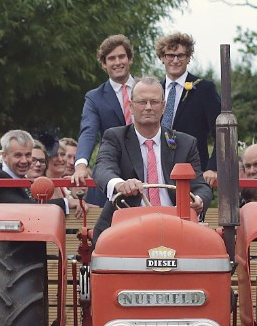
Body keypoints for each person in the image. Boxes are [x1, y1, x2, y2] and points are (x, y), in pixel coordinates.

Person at [91, 77, 212, 239]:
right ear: (131, 106)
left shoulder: (185, 143)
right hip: (125, 228)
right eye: (142, 102)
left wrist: (198, 201)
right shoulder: (115, 137)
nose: (148, 107)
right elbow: (102, 168)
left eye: (154, 102)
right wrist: (120, 184)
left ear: (163, 107)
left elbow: (200, 185)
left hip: (176, 227)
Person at [73, 35, 135, 206]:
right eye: (111, 58)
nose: (117, 62)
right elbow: (88, 132)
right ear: (103, 64)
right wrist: (81, 165)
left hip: (147, 169)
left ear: (129, 59)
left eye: (121, 56)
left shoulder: (148, 89)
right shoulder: (95, 97)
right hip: (112, 171)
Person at [156, 32, 221, 188]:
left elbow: (221, 133)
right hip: (157, 171)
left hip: (194, 172)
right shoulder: (154, 89)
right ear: (162, 57)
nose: (175, 60)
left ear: (189, 57)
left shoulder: (204, 89)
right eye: (170, 55)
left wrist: (213, 168)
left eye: (181, 56)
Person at [0, 129, 75, 214]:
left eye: (28, 155)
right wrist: (66, 203)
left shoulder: (20, 179)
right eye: (18, 155)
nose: (24, 161)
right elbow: (25, 206)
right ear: (5, 156)